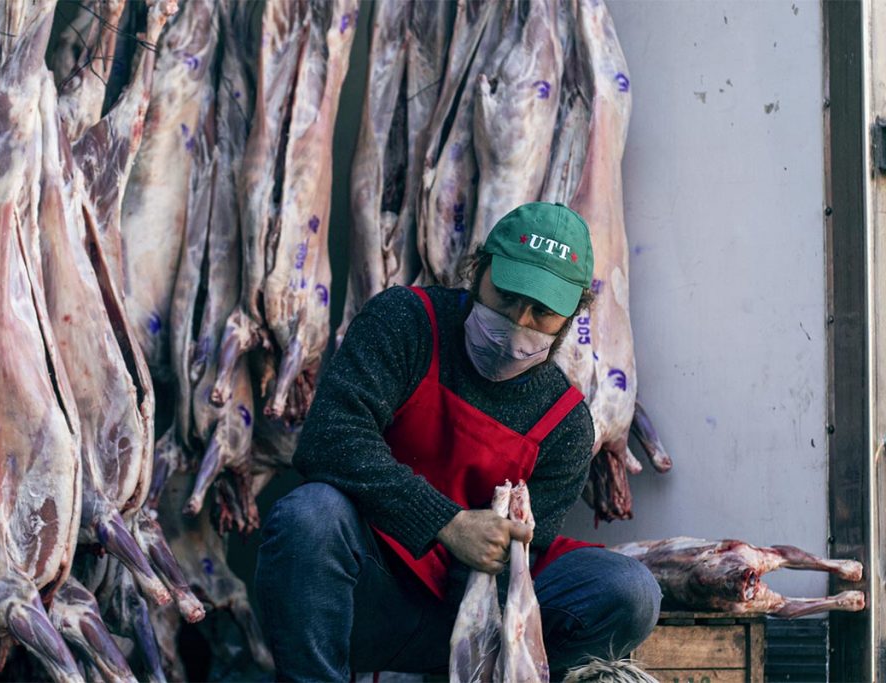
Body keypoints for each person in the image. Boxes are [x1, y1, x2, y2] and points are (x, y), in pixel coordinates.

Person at [255, 202, 661, 681]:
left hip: (470, 615)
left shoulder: (566, 424)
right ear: (478, 270)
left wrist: (497, 566)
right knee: (310, 515)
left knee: (630, 591)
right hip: (367, 593)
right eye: (506, 297)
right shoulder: (405, 321)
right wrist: (448, 523)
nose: (518, 321)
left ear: (573, 315)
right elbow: (330, 437)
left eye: (542, 312)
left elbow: (525, 563)